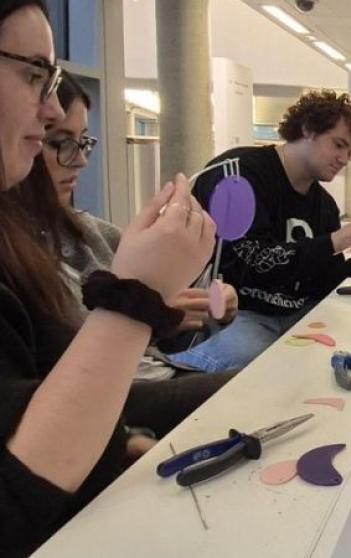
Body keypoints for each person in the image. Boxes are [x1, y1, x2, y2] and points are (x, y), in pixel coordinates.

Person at [0, 1, 216, 554]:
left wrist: (123, 450)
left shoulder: (43, 237)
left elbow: (42, 400)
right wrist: (136, 300)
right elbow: (18, 494)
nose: (49, 108)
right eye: (33, 75)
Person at [13, 71, 239, 379]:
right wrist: (146, 311)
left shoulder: (91, 233)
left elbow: (168, 332)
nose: (80, 160)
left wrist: (206, 304)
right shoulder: (17, 266)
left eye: (82, 142)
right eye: (60, 142)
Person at [171, 90, 351, 372]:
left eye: (350, 153)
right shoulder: (238, 175)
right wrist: (334, 241)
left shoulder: (324, 205)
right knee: (249, 356)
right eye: (338, 145)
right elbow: (249, 263)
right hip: (236, 311)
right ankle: (175, 375)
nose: (343, 159)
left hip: (296, 313)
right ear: (307, 129)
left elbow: (322, 285)